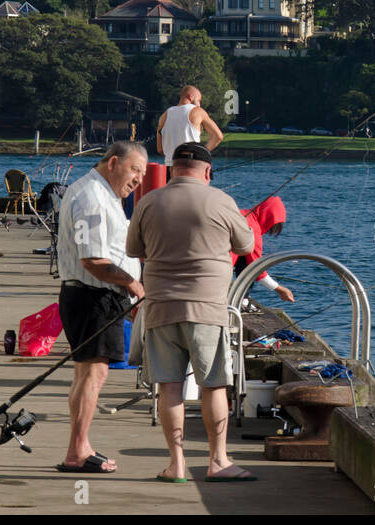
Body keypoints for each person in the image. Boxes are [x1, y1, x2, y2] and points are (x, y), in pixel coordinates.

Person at [126, 142, 255, 483]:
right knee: (214, 386)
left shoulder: (149, 201)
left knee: (169, 388)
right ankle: (218, 461)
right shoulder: (222, 201)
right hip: (207, 309)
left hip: (160, 306)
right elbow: (245, 245)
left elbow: (133, 249)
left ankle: (176, 464)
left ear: (172, 170)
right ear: (208, 172)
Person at [54, 140, 148, 474]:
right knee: (93, 372)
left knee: (89, 372)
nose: (138, 178)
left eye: (143, 173)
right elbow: (93, 260)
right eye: (134, 169)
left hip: (93, 296)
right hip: (93, 296)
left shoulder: (102, 194)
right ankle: (77, 452)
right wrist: (133, 284)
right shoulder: (92, 198)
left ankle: (78, 447)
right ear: (112, 163)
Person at [232, 196, 295, 309]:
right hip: (216, 268)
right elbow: (257, 269)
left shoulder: (242, 214)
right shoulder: (253, 230)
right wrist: (279, 289)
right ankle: (242, 301)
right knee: (249, 266)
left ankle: (243, 299)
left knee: (244, 260)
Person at [157, 85, 223, 167]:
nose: (199, 104)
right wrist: (199, 154)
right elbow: (218, 136)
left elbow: (160, 149)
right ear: (191, 96)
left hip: (170, 169)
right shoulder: (198, 111)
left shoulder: (164, 116)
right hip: (190, 167)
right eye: (199, 100)